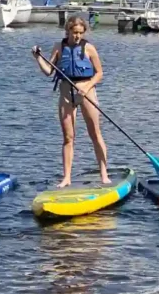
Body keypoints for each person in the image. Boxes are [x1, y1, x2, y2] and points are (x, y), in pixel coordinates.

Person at [31, 16, 109, 188]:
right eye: (74, 33)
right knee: (68, 137)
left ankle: (104, 174)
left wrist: (87, 86)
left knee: (95, 134)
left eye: (80, 33)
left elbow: (99, 73)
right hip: (66, 93)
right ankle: (66, 177)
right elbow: (49, 71)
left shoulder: (89, 48)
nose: (77, 36)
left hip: (86, 93)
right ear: (68, 31)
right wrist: (37, 58)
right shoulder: (59, 47)